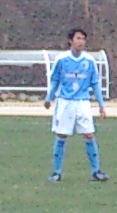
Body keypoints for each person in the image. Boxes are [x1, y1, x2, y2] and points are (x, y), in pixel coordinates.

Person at [44, 28, 109, 182]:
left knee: (89, 134)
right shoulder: (61, 60)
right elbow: (55, 81)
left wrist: (101, 105)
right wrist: (48, 98)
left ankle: (96, 171)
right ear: (70, 40)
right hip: (65, 102)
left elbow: (95, 84)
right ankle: (56, 172)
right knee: (61, 135)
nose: (81, 42)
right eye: (78, 38)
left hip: (82, 102)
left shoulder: (89, 61)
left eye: (83, 39)